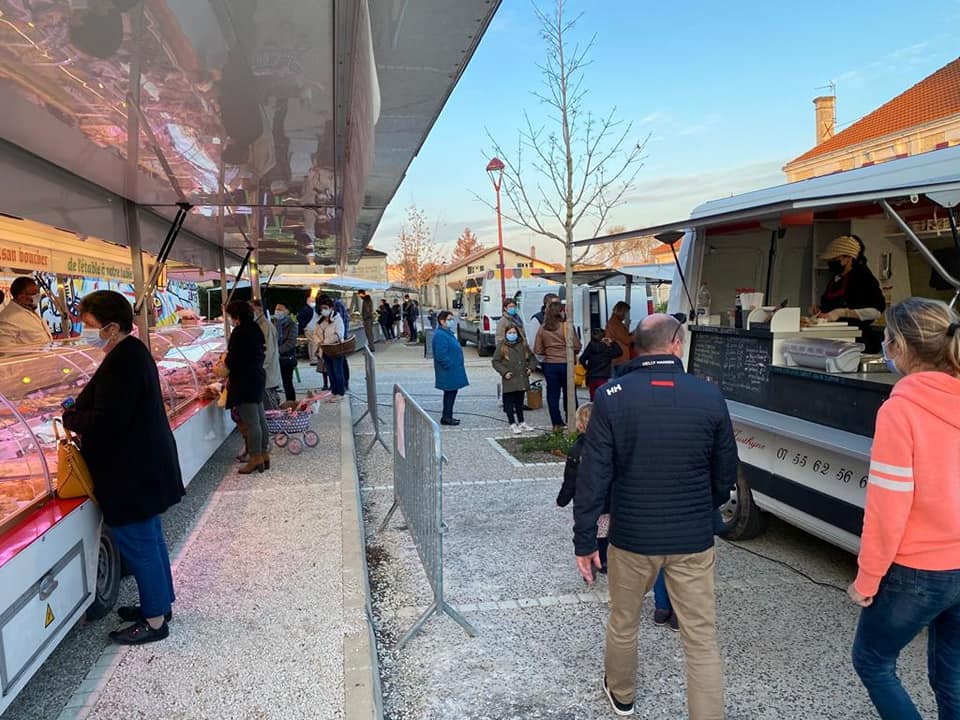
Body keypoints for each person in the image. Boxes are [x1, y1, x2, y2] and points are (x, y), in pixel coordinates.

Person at [574, 313, 738, 719]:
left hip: (632, 536)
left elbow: (593, 478)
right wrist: (705, 507)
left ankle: (623, 695)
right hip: (692, 538)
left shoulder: (610, 397)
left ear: (636, 347)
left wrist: (584, 540)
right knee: (700, 637)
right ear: (677, 344)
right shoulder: (709, 396)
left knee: (624, 620)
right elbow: (725, 472)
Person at [849, 297, 960, 720]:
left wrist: (867, 578)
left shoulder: (902, 410)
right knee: (951, 675)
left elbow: (887, 507)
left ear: (898, 347)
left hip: (918, 571)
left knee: (873, 661)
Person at [62, 290, 183, 645]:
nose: (84, 330)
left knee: (141, 544)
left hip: (132, 473)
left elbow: (110, 420)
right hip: (143, 467)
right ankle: (160, 603)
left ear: (112, 327)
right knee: (151, 540)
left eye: (88, 324)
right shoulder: (129, 352)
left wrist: (72, 416)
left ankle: (156, 620)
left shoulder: (124, 359)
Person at [557, 403, 610, 572]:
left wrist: (562, 499)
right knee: (605, 531)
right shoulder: (609, 446)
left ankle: (595, 559)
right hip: (608, 500)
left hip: (585, 500)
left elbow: (570, 479)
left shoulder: (577, 449)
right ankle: (605, 559)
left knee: (591, 529)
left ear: (580, 424)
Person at [224, 300, 270, 474]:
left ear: (236, 316)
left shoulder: (239, 332)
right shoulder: (255, 328)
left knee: (252, 423)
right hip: (257, 377)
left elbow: (233, 359)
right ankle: (264, 454)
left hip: (244, 380)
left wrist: (225, 363)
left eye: (231, 316)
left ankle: (255, 457)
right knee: (260, 418)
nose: (230, 320)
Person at [815, 235, 885, 330]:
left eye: (835, 260)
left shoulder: (863, 277)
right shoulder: (836, 278)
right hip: (836, 334)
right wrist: (820, 310)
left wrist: (842, 313)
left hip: (858, 336)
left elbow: (876, 312)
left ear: (848, 258)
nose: (830, 263)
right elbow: (831, 306)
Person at [534, 300, 581, 429]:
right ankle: (572, 420)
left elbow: (537, 350)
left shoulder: (542, 328)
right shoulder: (566, 326)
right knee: (569, 393)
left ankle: (557, 422)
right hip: (566, 363)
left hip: (550, 365)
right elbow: (577, 346)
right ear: (561, 312)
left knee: (553, 394)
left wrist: (548, 351)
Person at [491, 321, 537, 433]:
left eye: (514, 332)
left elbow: (532, 358)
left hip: (521, 378)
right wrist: (504, 372)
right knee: (509, 403)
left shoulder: (523, 345)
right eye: (510, 332)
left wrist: (530, 368)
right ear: (506, 334)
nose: (512, 334)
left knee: (519, 402)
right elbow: (495, 361)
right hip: (509, 379)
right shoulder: (502, 346)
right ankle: (512, 423)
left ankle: (522, 422)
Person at [432, 310, 468, 425]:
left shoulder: (447, 333)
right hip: (448, 370)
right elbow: (440, 355)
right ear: (442, 321)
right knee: (449, 393)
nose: (451, 321)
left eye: (452, 319)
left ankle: (448, 415)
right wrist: (450, 365)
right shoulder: (440, 335)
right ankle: (446, 417)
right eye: (449, 319)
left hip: (452, 370)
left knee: (451, 393)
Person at [0, 276, 53, 346]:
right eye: (34, 294)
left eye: (38, 292)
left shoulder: (29, 309)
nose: (38, 296)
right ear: (21, 297)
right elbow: (6, 350)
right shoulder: (7, 318)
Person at [251, 299, 281, 411]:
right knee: (269, 400)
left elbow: (268, 352)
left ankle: (275, 427)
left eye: (252, 310)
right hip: (266, 371)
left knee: (269, 405)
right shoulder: (260, 325)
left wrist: (258, 368)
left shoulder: (264, 326)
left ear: (259, 310)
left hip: (266, 372)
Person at [314, 296, 347, 400]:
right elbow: (315, 333)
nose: (323, 310)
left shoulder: (337, 319)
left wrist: (325, 342)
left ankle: (340, 392)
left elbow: (339, 334)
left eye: (325, 307)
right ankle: (334, 391)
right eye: (321, 308)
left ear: (331, 308)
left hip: (335, 350)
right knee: (330, 372)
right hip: (324, 351)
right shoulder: (320, 321)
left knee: (338, 371)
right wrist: (319, 342)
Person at [579, 327, 622, 400]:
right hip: (603, 377)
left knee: (593, 399)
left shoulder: (590, 346)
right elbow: (619, 352)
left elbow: (582, 359)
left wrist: (587, 368)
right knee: (603, 398)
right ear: (603, 337)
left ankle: (593, 411)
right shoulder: (607, 348)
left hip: (592, 377)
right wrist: (612, 342)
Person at [274, 303, 299, 402]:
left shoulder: (292, 323)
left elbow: (290, 343)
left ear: (287, 311)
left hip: (286, 358)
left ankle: (291, 403)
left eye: (280, 309)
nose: (277, 311)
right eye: (276, 309)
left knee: (287, 383)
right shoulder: (274, 322)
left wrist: (277, 351)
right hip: (275, 358)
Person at [529, 292, 559, 364]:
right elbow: (533, 342)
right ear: (546, 305)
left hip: (562, 358)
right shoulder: (537, 319)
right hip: (547, 360)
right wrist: (542, 358)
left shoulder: (561, 317)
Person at [299, 295, 319, 365]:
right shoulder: (306, 309)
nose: (313, 302)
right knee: (314, 343)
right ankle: (314, 359)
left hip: (312, 328)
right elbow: (300, 318)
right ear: (307, 301)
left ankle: (312, 358)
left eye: (313, 301)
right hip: (309, 329)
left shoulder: (314, 309)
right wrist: (305, 325)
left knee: (311, 343)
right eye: (311, 301)